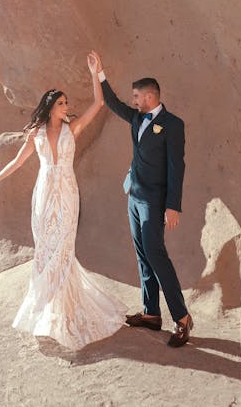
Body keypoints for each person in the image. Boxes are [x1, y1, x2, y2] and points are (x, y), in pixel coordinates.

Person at [0, 53, 127, 350]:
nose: (67, 106)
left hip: (68, 192)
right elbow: (18, 163)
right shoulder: (35, 133)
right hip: (44, 193)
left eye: (66, 103)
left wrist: (97, 73)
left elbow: (99, 105)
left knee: (63, 247)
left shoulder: (72, 128)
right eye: (61, 103)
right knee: (46, 249)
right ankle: (50, 311)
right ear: (50, 107)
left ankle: (66, 311)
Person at [90, 51, 193, 347]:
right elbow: (112, 103)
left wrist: (173, 205)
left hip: (154, 200)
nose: (133, 101)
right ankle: (151, 313)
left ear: (149, 97)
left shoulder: (173, 125)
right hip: (134, 196)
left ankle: (182, 318)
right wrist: (100, 73)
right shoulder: (136, 118)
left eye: (136, 96)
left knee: (156, 253)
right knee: (142, 254)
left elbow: (177, 167)